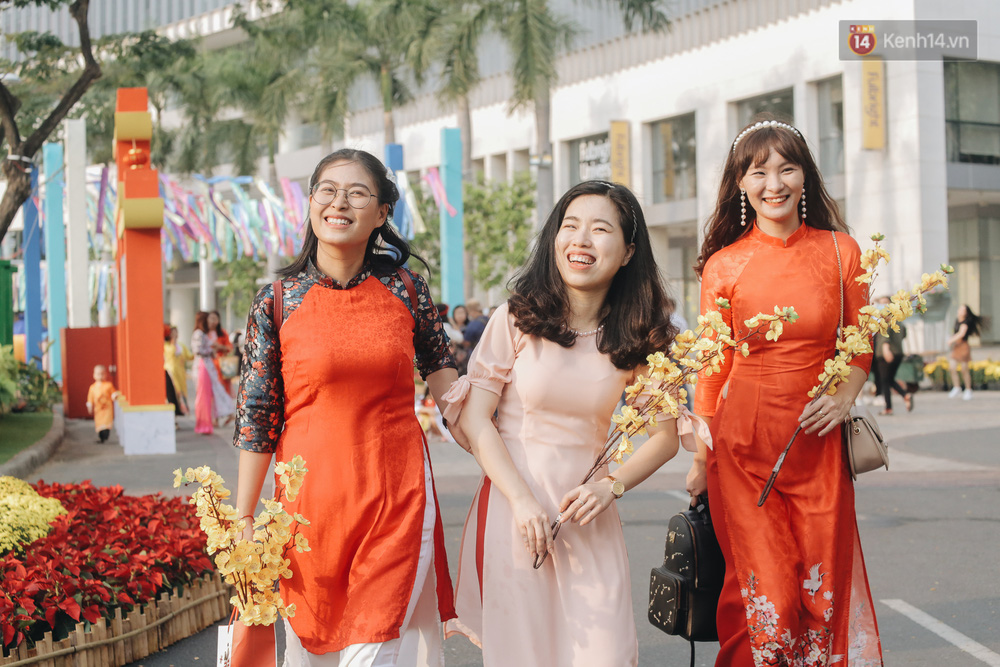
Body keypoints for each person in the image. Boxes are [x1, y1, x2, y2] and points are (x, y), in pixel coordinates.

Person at [233, 148, 468, 666]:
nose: (339, 202)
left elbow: (449, 389)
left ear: (382, 213)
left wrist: (508, 461)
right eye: (328, 190)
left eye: (357, 193)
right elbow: (257, 417)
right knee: (310, 650)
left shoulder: (407, 290)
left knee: (376, 646)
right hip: (306, 514)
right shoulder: (276, 301)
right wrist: (244, 518)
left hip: (396, 499)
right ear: (311, 202)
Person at [442, 180, 690, 666]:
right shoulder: (516, 318)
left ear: (628, 252)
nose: (581, 240)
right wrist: (521, 501)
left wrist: (610, 487)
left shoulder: (640, 336)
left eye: (600, 229)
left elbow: (665, 438)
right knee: (525, 654)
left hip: (588, 517)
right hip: (516, 514)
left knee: (605, 654)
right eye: (570, 226)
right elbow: (476, 419)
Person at [686, 117, 883, 666]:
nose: (774, 184)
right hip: (742, 452)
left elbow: (860, 341)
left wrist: (844, 397)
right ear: (741, 184)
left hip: (819, 449)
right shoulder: (724, 266)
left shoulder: (843, 251)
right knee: (766, 599)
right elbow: (712, 367)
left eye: (786, 168)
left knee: (821, 596)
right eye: (758, 172)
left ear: (805, 177)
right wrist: (700, 458)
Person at [192, 311, 236, 435]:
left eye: (214, 319)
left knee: (217, 393)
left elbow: (228, 347)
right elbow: (198, 350)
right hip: (207, 367)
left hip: (217, 367)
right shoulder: (201, 334)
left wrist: (217, 348)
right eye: (209, 319)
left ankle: (217, 418)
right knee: (208, 395)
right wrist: (211, 350)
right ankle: (209, 421)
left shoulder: (220, 333)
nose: (211, 322)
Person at [873, 296, 911, 414]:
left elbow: (885, 336)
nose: (882, 306)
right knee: (889, 379)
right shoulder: (898, 319)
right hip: (898, 353)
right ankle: (905, 395)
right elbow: (904, 334)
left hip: (885, 354)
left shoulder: (887, 319)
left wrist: (886, 349)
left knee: (885, 380)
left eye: (885, 303)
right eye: (880, 303)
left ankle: (888, 408)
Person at [947, 304, 982, 400]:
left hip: (963, 346)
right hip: (956, 346)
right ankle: (957, 387)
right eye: (960, 309)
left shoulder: (966, 322)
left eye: (963, 310)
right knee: (952, 367)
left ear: (966, 313)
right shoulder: (957, 320)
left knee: (964, 369)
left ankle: (968, 389)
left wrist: (951, 340)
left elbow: (961, 334)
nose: (960, 311)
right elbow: (955, 332)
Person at [164, 325, 194, 415]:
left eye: (176, 332)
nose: (175, 334)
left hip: (180, 372)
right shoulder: (166, 345)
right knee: (172, 393)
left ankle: (181, 410)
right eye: (172, 332)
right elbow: (170, 353)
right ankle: (173, 412)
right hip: (170, 372)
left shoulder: (181, 345)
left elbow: (189, 356)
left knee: (181, 390)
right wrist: (173, 343)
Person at [86, 365, 117, 443]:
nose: (100, 376)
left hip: (107, 409)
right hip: (98, 409)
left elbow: (113, 393)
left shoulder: (108, 385)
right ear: (94, 375)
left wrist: (115, 396)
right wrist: (90, 406)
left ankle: (105, 435)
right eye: (98, 374)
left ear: (105, 374)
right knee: (99, 423)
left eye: (102, 374)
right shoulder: (92, 387)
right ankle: (101, 437)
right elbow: (90, 398)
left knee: (106, 423)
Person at [208, 310, 235, 395]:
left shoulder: (222, 333)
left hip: (222, 365)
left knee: (223, 391)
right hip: (208, 366)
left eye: (215, 319)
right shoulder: (205, 333)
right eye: (211, 318)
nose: (213, 321)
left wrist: (220, 347)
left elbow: (230, 348)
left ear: (218, 320)